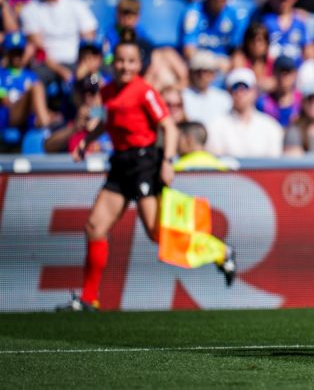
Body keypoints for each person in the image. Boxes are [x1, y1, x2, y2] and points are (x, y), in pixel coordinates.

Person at [56, 32, 235, 311]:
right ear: (113, 63)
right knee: (94, 227)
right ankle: (89, 298)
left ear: (139, 65)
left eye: (131, 62)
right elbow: (109, 122)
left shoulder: (145, 91)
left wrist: (167, 161)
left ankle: (220, 251)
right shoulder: (108, 91)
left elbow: (169, 127)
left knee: (156, 233)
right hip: (120, 165)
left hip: (144, 165)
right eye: (120, 61)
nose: (125, 67)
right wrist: (86, 143)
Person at [19, 0, 98, 83]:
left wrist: (85, 65)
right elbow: (39, 50)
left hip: (77, 61)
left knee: (98, 77)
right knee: (32, 82)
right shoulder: (29, 10)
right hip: (46, 66)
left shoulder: (76, 3)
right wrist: (61, 70)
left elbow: (89, 37)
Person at [206, 67, 284, 158]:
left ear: (254, 91)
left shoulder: (271, 127)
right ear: (229, 91)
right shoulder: (216, 126)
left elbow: (274, 164)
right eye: (235, 88)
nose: (240, 93)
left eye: (245, 87)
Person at [181, 0, 248, 67]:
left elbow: (238, 51)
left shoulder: (236, 14)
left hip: (225, 66)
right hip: (199, 67)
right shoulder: (194, 12)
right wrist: (213, 63)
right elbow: (189, 51)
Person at [182, 50, 232, 126]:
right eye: (198, 71)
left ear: (214, 74)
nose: (202, 76)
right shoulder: (182, 97)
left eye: (206, 71)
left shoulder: (224, 98)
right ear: (191, 73)